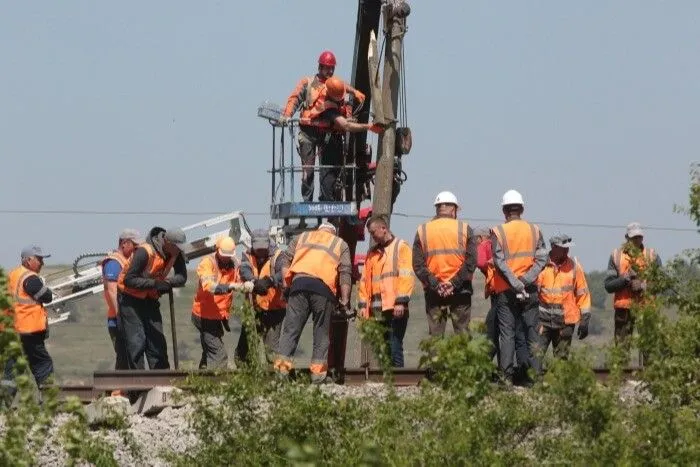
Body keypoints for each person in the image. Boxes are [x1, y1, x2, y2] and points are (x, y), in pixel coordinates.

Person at [282, 50, 367, 202]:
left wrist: (355, 92)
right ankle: (307, 201)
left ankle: (325, 200)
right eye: (327, 68)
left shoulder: (334, 86)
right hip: (308, 131)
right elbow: (295, 98)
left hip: (328, 133)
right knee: (307, 171)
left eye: (332, 68)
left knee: (327, 171)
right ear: (320, 67)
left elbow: (343, 86)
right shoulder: (307, 83)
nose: (330, 71)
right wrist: (287, 115)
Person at [275, 223, 352, 383]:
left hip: (299, 285)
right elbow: (345, 273)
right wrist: (344, 301)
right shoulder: (340, 243)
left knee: (290, 332)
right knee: (321, 334)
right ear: (333, 232)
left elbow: (284, 260)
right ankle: (317, 377)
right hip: (323, 290)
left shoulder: (301, 237)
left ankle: (281, 374)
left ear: (319, 230)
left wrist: (286, 285)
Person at [490, 189, 547, 384]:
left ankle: (506, 378)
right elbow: (542, 259)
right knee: (533, 333)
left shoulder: (499, 232)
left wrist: (515, 283)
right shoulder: (535, 230)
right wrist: (525, 281)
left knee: (507, 334)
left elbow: (499, 261)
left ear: (504, 211)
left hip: (506, 291)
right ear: (522, 209)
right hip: (529, 290)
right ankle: (535, 378)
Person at [117, 227, 188, 370]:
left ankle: (161, 381)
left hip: (150, 298)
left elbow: (182, 277)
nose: (178, 251)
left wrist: (167, 283)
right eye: (175, 247)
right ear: (166, 242)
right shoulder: (145, 252)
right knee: (137, 342)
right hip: (130, 300)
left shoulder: (175, 253)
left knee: (157, 342)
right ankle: (138, 387)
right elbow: (129, 280)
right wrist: (155, 284)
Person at [412, 191, 477, 338]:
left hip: (434, 292)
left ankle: (437, 362)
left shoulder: (422, 230)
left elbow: (418, 265)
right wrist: (453, 283)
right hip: (461, 291)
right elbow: (471, 262)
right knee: (463, 336)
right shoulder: (465, 228)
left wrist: (437, 284)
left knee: (436, 338)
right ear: (453, 210)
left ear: (437, 209)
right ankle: (464, 362)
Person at [357, 215, 414, 367]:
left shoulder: (401, 247)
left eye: (373, 232)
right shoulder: (372, 253)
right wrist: (363, 306)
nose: (372, 236)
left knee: (394, 346)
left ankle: (398, 382)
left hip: (395, 308)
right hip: (377, 310)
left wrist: (401, 302)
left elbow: (406, 276)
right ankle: (388, 381)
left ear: (384, 228)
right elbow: (364, 281)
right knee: (383, 348)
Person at [604, 222, 661, 361]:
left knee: (650, 351)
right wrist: (625, 279)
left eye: (639, 237)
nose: (637, 240)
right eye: (634, 237)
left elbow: (661, 284)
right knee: (621, 352)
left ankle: (650, 381)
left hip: (646, 308)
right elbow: (609, 285)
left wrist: (643, 285)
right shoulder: (616, 255)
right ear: (627, 238)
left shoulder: (652, 255)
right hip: (624, 310)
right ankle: (621, 381)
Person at [4, 245, 55, 392]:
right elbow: (47, 296)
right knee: (43, 364)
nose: (42, 263)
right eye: (39, 259)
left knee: (13, 370)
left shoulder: (13, 274)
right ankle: (48, 401)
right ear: (28, 260)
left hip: (13, 331)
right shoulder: (29, 278)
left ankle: (3, 406)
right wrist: (45, 287)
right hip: (28, 331)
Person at [235, 229, 287, 365]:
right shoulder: (247, 255)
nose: (260, 251)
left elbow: (283, 273)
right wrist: (254, 282)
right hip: (254, 308)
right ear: (252, 245)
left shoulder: (279, 255)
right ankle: (246, 377)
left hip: (275, 309)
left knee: (271, 351)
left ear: (268, 244)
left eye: (263, 248)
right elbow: (244, 270)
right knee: (243, 351)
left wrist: (270, 281)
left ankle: (275, 380)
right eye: (257, 249)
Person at [537, 234, 591, 360]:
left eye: (568, 247)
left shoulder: (574, 267)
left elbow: (583, 295)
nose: (567, 250)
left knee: (561, 363)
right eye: (563, 247)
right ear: (554, 247)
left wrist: (585, 320)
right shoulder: (540, 266)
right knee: (535, 359)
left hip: (565, 324)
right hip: (542, 323)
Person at [191, 236, 241, 370]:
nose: (226, 258)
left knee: (209, 351)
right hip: (203, 315)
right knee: (219, 355)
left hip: (218, 316)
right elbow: (209, 286)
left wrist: (247, 284)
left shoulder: (235, 263)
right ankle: (217, 384)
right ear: (217, 250)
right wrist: (230, 287)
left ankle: (202, 379)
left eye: (228, 256)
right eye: (223, 255)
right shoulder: (208, 262)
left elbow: (241, 278)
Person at [100, 229, 142, 372]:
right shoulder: (114, 262)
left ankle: (122, 390)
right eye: (135, 246)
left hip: (125, 316)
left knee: (127, 356)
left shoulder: (125, 261)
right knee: (124, 356)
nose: (137, 249)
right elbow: (111, 290)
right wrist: (120, 315)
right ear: (124, 243)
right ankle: (118, 390)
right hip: (118, 318)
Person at [475, 226, 499, 363]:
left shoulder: (485, 244)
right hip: (505, 291)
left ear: (480, 238)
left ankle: (484, 362)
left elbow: (480, 262)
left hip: (498, 293)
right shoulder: (496, 245)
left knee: (491, 329)